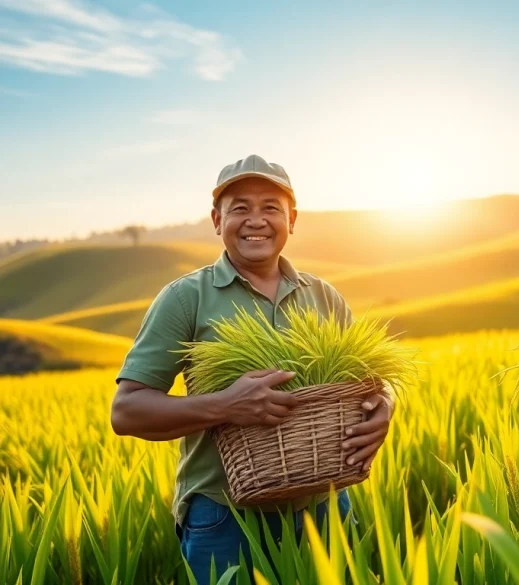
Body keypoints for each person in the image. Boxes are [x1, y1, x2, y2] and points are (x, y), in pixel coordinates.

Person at [109, 154, 394, 583]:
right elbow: (126, 411)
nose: (255, 220)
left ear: (291, 219)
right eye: (240, 207)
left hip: (325, 507)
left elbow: (369, 382)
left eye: (270, 207)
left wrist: (385, 404)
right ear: (216, 219)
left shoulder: (324, 296)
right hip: (225, 517)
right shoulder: (186, 298)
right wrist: (226, 405)